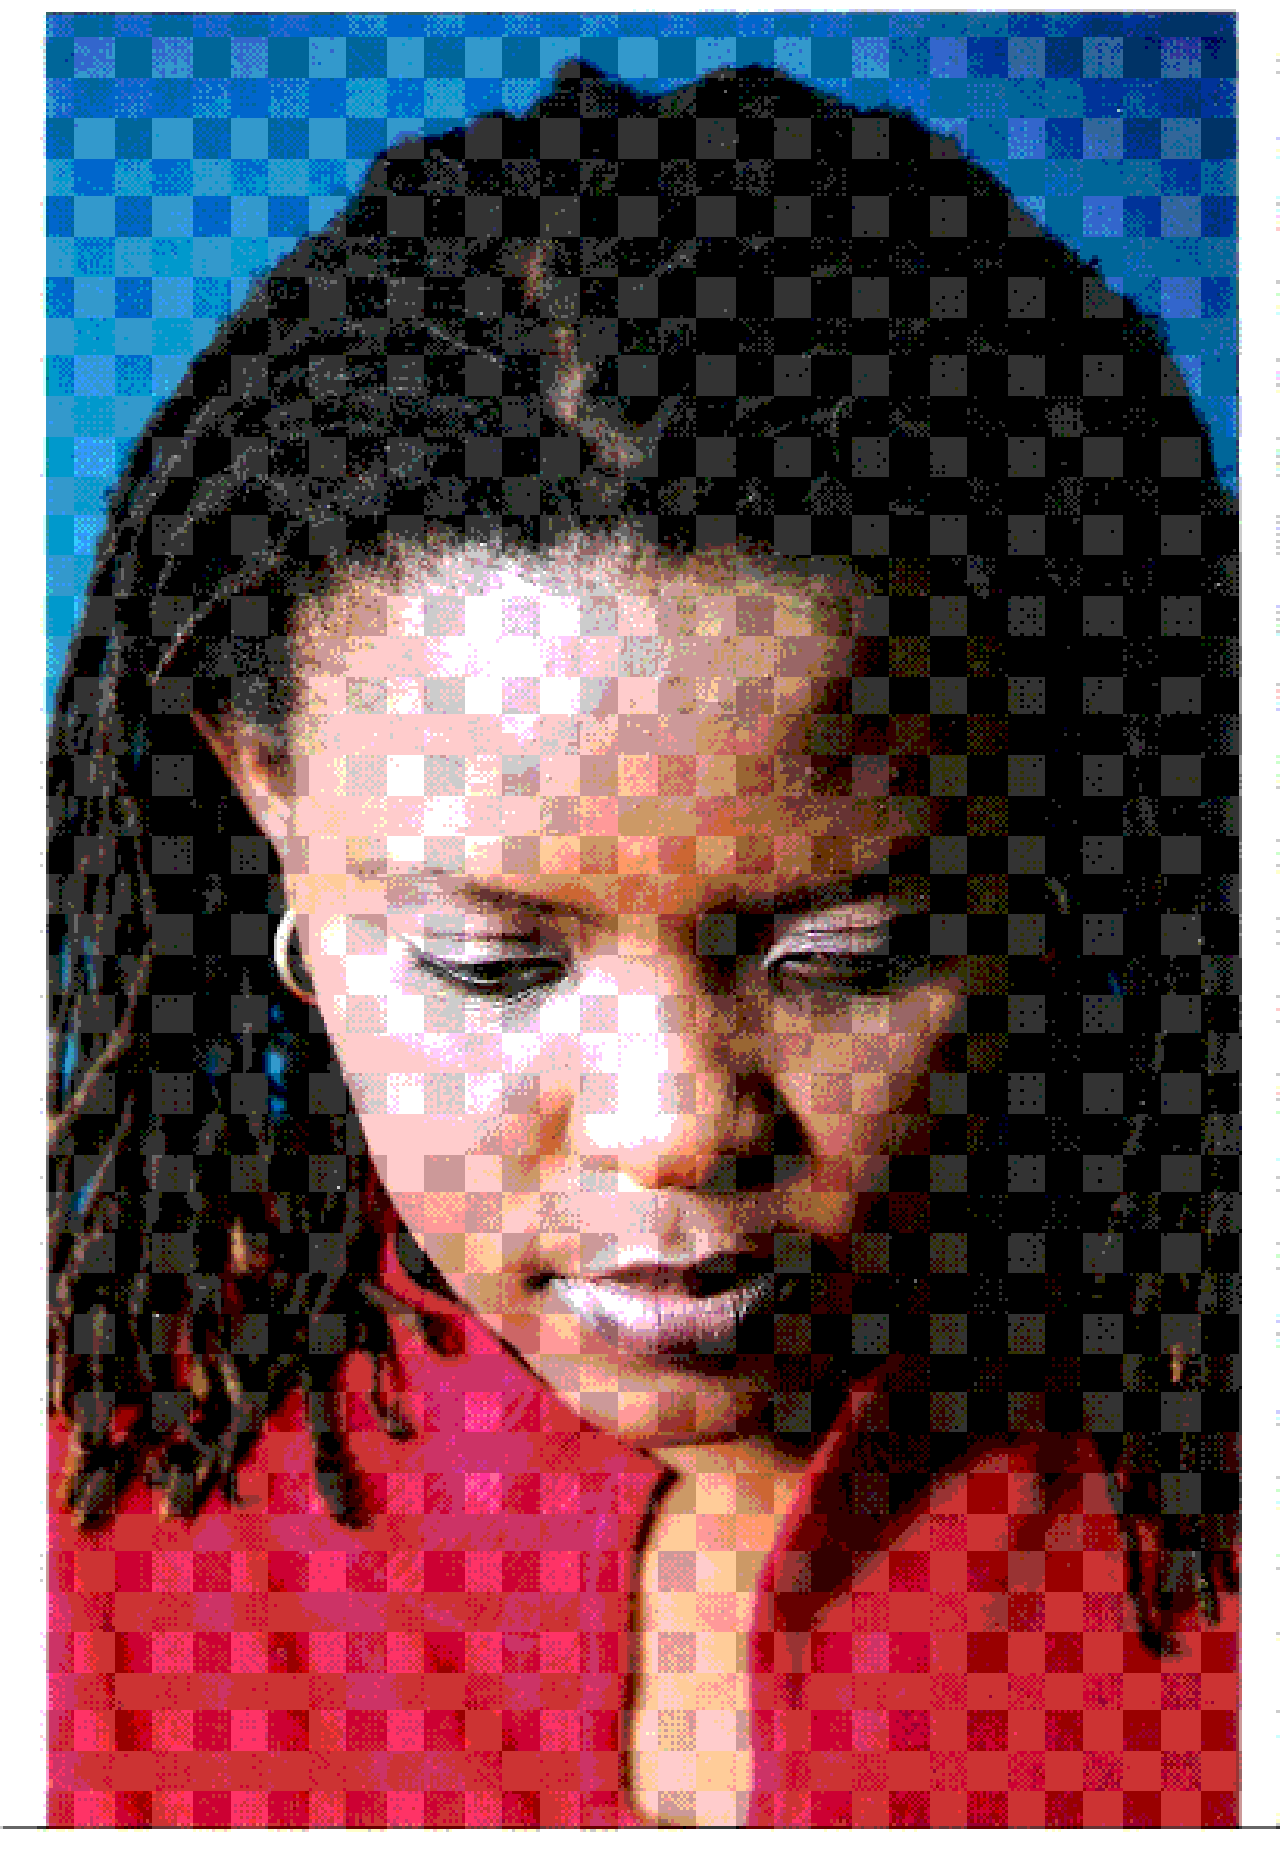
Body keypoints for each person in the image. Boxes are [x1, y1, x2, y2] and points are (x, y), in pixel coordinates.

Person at [48, 60, 1239, 1828]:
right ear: (265, 800)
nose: (675, 1129)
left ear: (1054, 842)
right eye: (488, 964)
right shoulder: (89, 1496)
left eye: (848, 952)